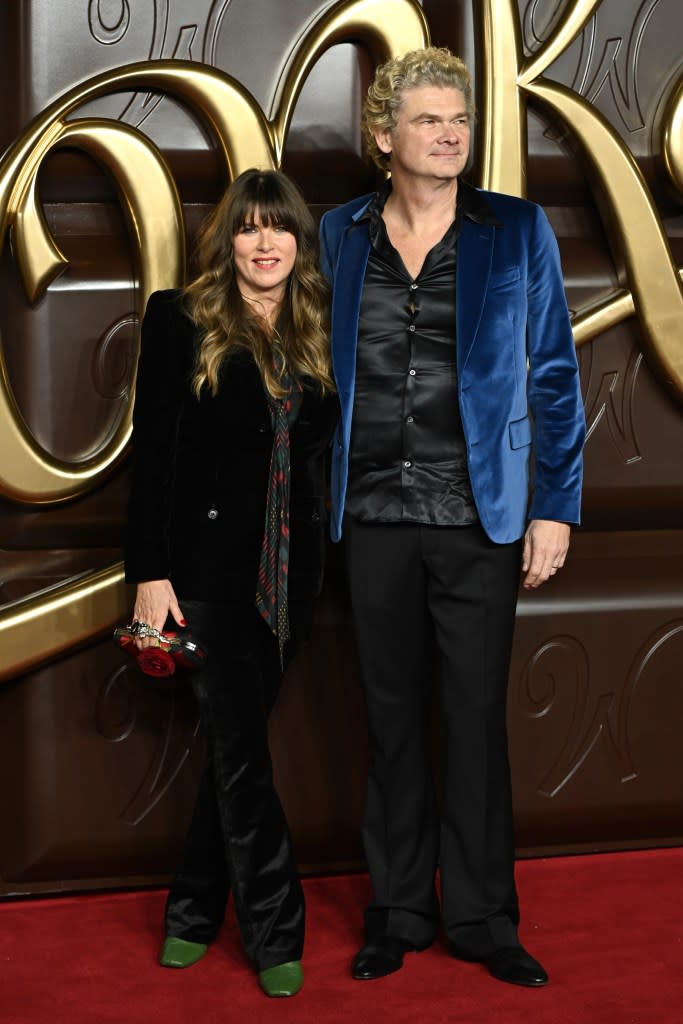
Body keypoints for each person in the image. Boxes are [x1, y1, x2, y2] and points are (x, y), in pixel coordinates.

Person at [319, 47, 585, 988]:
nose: (450, 135)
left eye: (459, 121)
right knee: (389, 724)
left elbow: (554, 373)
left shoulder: (515, 230)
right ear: (384, 135)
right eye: (429, 120)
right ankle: (397, 911)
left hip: (483, 516)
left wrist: (553, 507)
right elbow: (310, 378)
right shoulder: (338, 233)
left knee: (472, 722)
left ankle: (480, 916)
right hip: (369, 516)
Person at [124, 168, 338, 998]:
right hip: (206, 576)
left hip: (290, 579)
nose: (263, 243)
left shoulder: (320, 324)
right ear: (227, 241)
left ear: (297, 242)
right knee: (244, 757)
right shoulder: (180, 319)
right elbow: (153, 457)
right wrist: (149, 573)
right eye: (247, 229)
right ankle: (277, 931)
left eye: (277, 228)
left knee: (231, 750)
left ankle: (188, 908)